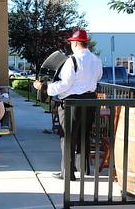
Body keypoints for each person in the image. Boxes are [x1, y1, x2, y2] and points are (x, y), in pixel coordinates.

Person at [34, 30, 103, 180]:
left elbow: (65, 84)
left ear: (76, 43)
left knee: (67, 137)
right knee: (84, 135)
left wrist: (45, 87)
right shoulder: (96, 60)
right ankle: (83, 169)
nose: (71, 45)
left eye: (71, 42)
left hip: (72, 103)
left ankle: (68, 173)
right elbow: (98, 77)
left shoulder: (71, 61)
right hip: (90, 101)